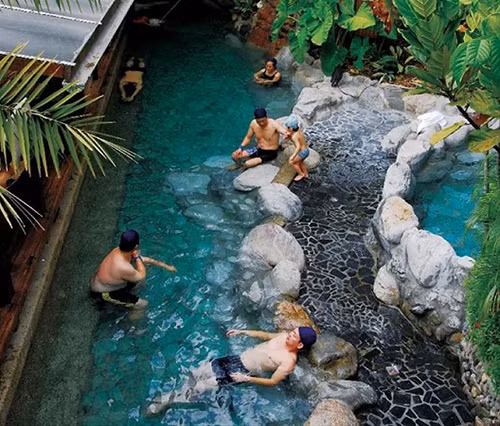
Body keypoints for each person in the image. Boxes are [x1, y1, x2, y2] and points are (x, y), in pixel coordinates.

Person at [146, 326, 317, 414]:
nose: (290, 334)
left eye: (294, 336)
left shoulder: (288, 361)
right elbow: (265, 335)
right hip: (234, 359)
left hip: (241, 372)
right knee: (196, 373)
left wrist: (247, 379)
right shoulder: (282, 336)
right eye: (292, 331)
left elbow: (272, 382)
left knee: (201, 386)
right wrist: (243, 332)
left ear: (300, 345)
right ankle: (176, 393)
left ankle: (167, 401)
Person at [91, 230, 176, 309]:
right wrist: (137, 257)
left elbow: (144, 260)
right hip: (103, 293)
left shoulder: (117, 250)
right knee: (143, 304)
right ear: (136, 246)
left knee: (139, 281)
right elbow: (141, 276)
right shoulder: (124, 267)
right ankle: (131, 319)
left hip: (105, 281)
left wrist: (166, 267)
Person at [286, 115, 309, 181]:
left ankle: (301, 174)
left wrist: (293, 156)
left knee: (293, 162)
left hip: (302, 152)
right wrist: (289, 135)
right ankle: (306, 174)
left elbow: (298, 147)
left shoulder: (294, 136)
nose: (286, 129)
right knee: (301, 162)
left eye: (287, 127)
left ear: (291, 129)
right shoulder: (299, 130)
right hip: (306, 150)